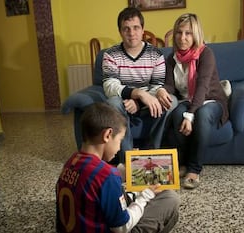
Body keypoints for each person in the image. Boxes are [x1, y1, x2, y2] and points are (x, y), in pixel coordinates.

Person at [55, 102, 180, 233]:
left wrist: (125, 169)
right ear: (107, 135)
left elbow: (93, 179)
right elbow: (121, 228)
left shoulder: (72, 161)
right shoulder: (108, 175)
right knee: (170, 199)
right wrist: (145, 196)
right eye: (120, 140)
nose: (119, 147)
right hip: (117, 228)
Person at [156, 13, 229, 189]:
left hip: (211, 100)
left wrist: (190, 115)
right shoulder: (171, 59)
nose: (183, 38)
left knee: (202, 116)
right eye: (179, 33)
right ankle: (184, 162)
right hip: (187, 100)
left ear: (196, 34)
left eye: (188, 33)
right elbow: (171, 86)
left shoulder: (206, 54)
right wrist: (161, 90)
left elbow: (202, 87)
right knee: (176, 115)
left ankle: (194, 169)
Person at [102, 7, 177, 164]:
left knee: (170, 101)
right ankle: (129, 160)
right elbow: (110, 86)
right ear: (120, 31)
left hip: (146, 103)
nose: (131, 33)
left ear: (143, 30)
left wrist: (140, 101)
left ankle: (153, 154)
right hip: (123, 103)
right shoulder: (110, 54)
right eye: (126, 29)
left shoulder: (156, 54)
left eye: (136, 27)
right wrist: (137, 93)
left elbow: (158, 86)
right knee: (112, 102)